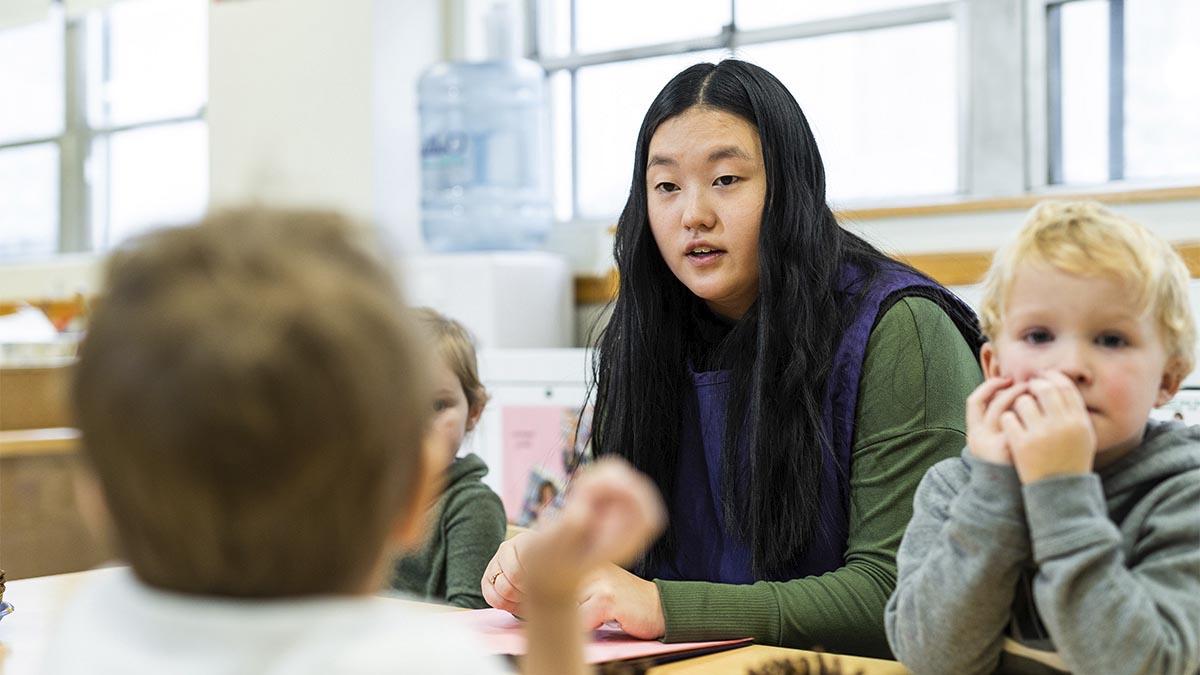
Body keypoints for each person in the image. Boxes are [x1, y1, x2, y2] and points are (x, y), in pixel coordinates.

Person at [482, 59, 984, 657]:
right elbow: (627, 562)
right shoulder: (643, 336)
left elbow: (901, 595)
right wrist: (556, 564)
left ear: (790, 187)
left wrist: (660, 605)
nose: (693, 213)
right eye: (666, 186)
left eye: (726, 179)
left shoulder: (903, 330)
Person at [45, 208, 665, 675]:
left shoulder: (83, 633)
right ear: (408, 499)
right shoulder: (421, 662)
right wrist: (554, 604)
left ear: (93, 495)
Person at [885, 201, 1200, 674]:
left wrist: (1060, 489)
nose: (1069, 366)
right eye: (1038, 337)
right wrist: (994, 491)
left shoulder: (1183, 493)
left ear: (1168, 380)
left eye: (1111, 340)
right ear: (993, 369)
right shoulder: (956, 487)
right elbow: (934, 660)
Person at [390, 308, 506, 609]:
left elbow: (474, 624)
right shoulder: (366, 498)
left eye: (437, 404)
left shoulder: (472, 505)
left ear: (475, 410)